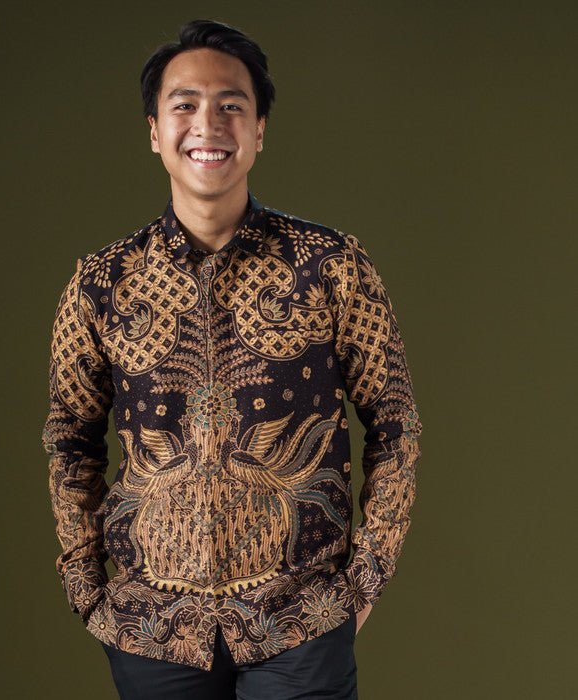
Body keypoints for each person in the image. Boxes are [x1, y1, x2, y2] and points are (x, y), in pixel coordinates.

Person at [41, 18, 423, 700]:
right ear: (154, 131)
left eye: (231, 106)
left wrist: (366, 579)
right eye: (184, 104)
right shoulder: (100, 284)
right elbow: (70, 438)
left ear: (259, 129)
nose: (207, 125)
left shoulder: (332, 267)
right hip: (150, 629)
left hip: (301, 618)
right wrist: (85, 586)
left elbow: (395, 424)